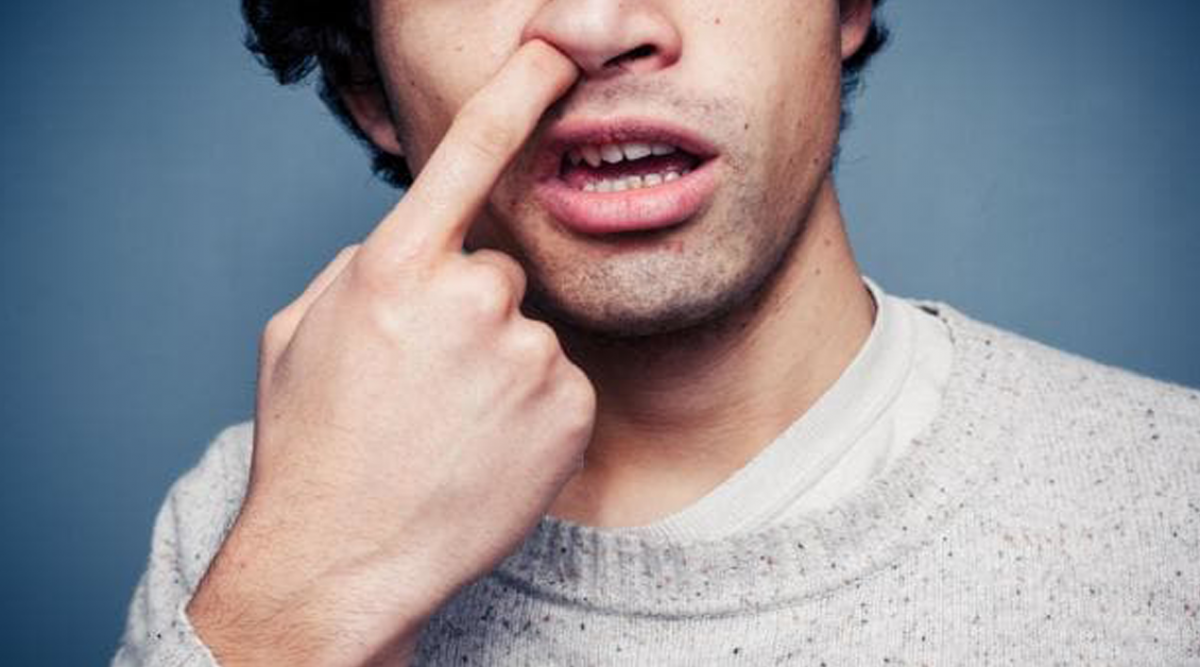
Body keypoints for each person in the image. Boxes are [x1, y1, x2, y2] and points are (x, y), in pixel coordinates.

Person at [114, 0, 1200, 664]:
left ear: (843, 3)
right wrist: (292, 607)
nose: (598, 24)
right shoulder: (246, 527)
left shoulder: (1171, 500)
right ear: (371, 91)